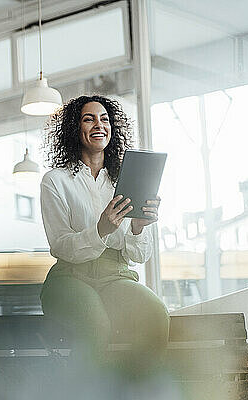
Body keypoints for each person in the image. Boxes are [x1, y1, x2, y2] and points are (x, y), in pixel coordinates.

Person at [40, 95, 169, 370]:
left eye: (105, 119)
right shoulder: (56, 180)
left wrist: (137, 227)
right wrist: (101, 230)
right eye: (89, 119)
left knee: (156, 315)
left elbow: (139, 255)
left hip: (116, 275)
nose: (99, 125)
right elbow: (60, 245)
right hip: (71, 276)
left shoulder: (124, 180)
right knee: (95, 324)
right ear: (75, 129)